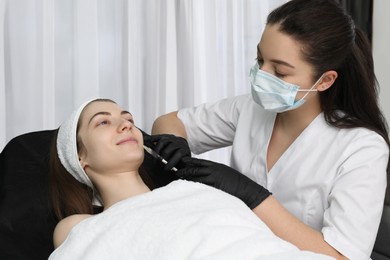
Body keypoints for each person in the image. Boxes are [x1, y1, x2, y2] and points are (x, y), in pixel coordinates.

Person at [151, 0, 390, 259]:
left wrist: (253, 197)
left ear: (325, 80)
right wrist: (174, 143)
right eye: (260, 59)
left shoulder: (362, 147)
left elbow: (343, 255)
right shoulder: (252, 109)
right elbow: (170, 122)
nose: (261, 75)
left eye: (280, 72)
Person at [48, 98, 332, 259]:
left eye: (129, 119)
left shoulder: (195, 190)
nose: (125, 124)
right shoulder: (81, 225)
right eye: (103, 122)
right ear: (79, 156)